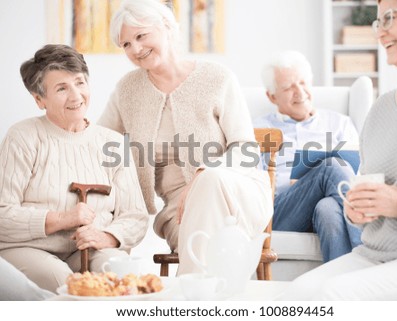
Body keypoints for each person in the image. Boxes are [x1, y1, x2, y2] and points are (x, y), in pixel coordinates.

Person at [280, 0, 397, 300]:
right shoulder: (382, 109)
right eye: (377, 23)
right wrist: (359, 210)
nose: (380, 33)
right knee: (294, 297)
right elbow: (373, 193)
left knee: (333, 297)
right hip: (376, 253)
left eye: (388, 18)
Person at [98, 0, 272, 274]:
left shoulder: (217, 77)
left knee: (210, 182)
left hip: (237, 190)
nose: (135, 49)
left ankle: (189, 296)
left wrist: (205, 173)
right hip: (179, 209)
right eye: (126, 44)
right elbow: (99, 143)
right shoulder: (128, 89)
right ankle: (203, 298)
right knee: (210, 244)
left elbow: (246, 148)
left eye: (141, 36)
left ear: (166, 27)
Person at [0, 44, 149, 293]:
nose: (76, 95)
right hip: (30, 248)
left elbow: (135, 216)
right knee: (66, 283)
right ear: (39, 100)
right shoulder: (23, 137)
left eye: (80, 82)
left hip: (91, 248)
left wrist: (107, 236)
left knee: (120, 276)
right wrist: (61, 219)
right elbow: (2, 214)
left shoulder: (112, 143)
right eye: (61, 88)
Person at [253, 51, 362, 262]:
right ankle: (367, 249)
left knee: (328, 210)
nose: (299, 92)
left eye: (303, 83)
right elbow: (251, 186)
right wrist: (299, 186)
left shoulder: (341, 124)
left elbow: (359, 174)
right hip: (282, 212)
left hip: (332, 205)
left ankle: (342, 287)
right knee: (331, 166)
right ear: (272, 96)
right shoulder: (258, 128)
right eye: (288, 87)